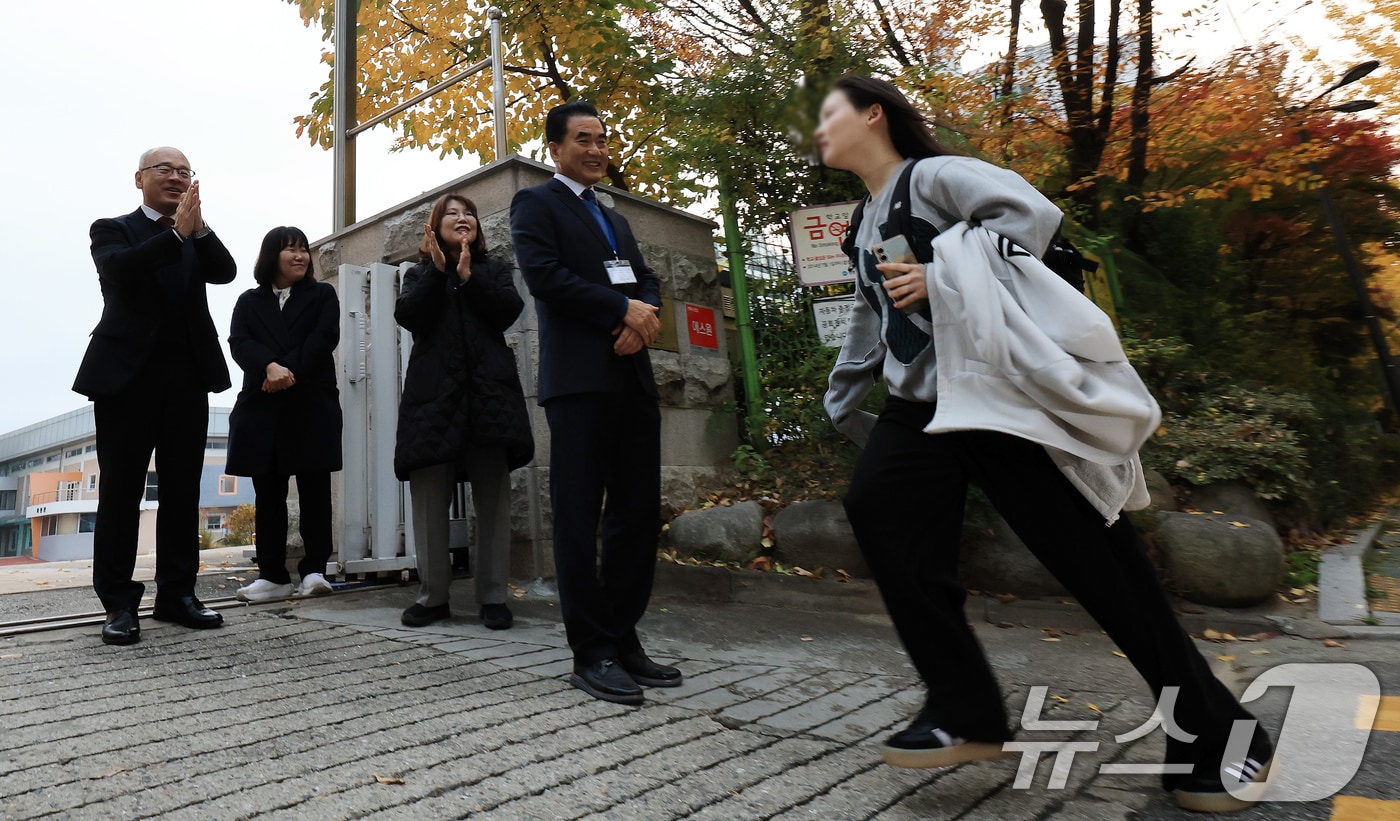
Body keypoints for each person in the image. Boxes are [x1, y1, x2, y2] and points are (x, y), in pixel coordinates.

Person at [817, 75, 1275, 814]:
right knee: (876, 503)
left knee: (1100, 568)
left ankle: (1224, 731)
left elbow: (1031, 216)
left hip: (1000, 395)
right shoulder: (861, 222)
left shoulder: (932, 177)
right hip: (925, 406)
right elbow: (874, 321)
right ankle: (965, 707)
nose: (820, 128)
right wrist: (843, 402)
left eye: (830, 113)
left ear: (874, 114)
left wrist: (945, 277)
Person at [509, 100, 681, 705]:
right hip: (580, 382)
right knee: (580, 517)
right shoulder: (536, 203)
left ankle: (624, 636)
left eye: (603, 139)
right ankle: (592, 652)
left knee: (635, 514)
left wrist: (644, 315)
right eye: (584, 139)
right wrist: (620, 310)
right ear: (555, 149)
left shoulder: (613, 216)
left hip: (631, 377)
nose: (597, 149)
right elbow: (546, 276)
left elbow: (645, 278)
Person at [74, 146, 235, 645]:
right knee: (121, 491)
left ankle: (177, 596)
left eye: (185, 172)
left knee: (184, 491)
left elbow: (225, 271)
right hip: (126, 378)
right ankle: (120, 604)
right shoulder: (112, 228)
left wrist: (197, 230)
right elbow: (121, 272)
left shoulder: (194, 233)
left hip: (186, 376)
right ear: (138, 178)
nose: (176, 177)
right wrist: (177, 234)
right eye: (164, 169)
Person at [394, 194, 534, 631]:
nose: (462, 218)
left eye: (467, 212)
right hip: (433, 397)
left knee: (492, 496)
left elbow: (509, 311)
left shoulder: (494, 270)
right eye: (451, 213)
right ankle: (433, 598)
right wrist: (439, 272)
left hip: (488, 397)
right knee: (430, 494)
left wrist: (469, 276)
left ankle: (493, 596)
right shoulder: (419, 273)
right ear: (434, 228)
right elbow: (409, 316)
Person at [226, 227, 343, 602]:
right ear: (270, 256)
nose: (300, 256)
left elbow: (324, 339)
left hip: (309, 405)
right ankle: (273, 576)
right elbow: (239, 342)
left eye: (304, 249)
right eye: (290, 249)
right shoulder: (249, 301)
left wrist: (284, 370)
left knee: (314, 492)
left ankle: (314, 570)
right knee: (269, 494)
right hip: (263, 407)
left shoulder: (323, 294)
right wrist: (268, 368)